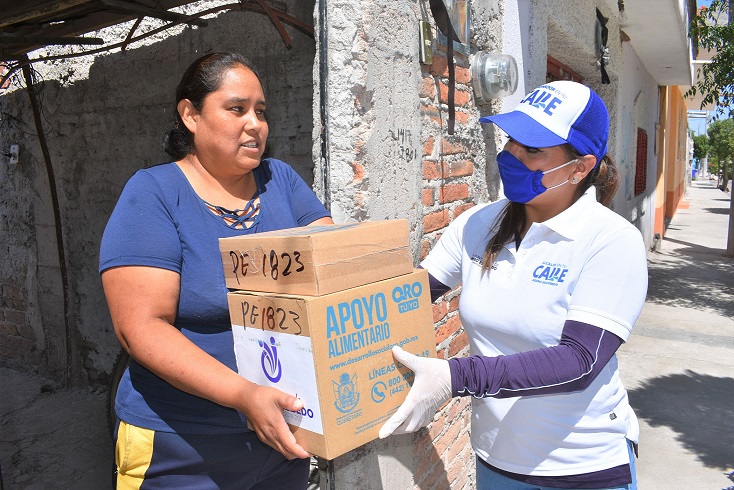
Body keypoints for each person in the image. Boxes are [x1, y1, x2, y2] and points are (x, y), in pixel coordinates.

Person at [379, 80, 647, 490]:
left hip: (579, 469)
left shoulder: (610, 240)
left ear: (580, 168)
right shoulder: (479, 224)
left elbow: (580, 362)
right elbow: (409, 298)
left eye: (533, 149)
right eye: (511, 141)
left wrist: (456, 376)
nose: (512, 156)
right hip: (495, 459)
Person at [99, 52, 333, 489]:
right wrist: (244, 395)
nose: (255, 124)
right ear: (190, 114)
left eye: (261, 112)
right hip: (181, 445)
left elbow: (331, 267)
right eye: (236, 109)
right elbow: (141, 327)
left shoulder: (279, 180)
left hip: (283, 434)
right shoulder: (154, 194)